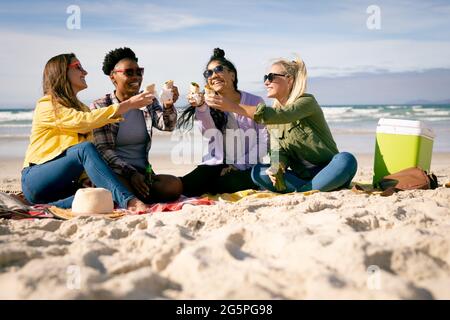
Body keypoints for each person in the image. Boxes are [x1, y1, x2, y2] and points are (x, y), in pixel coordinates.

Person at [21, 53, 153, 211]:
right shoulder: (47, 104)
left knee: (100, 195)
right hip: (35, 180)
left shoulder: (82, 108)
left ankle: (44, 207)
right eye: (78, 67)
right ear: (62, 72)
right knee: (84, 149)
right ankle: (130, 202)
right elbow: (83, 122)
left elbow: (88, 150)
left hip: (63, 186)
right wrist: (127, 105)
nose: (85, 72)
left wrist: (86, 179)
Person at [205, 56, 357, 193]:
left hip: (330, 168)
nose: (266, 82)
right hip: (302, 176)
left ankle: (309, 188)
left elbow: (282, 115)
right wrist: (278, 167)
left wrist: (232, 106)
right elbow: (278, 152)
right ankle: (316, 187)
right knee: (258, 172)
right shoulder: (273, 120)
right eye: (265, 77)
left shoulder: (307, 102)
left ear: (289, 80)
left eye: (271, 77)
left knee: (346, 159)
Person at [90, 47, 182, 203]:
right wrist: (131, 174)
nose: (136, 77)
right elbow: (103, 150)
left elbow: (167, 126)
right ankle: (129, 194)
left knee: (174, 186)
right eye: (129, 72)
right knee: (118, 187)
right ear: (113, 77)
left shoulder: (148, 101)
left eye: (139, 72)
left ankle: (130, 195)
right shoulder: (101, 106)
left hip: (143, 173)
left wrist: (168, 104)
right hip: (116, 172)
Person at [178, 48, 269, 196]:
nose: (213, 75)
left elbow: (265, 141)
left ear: (232, 75)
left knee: (225, 183)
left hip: (248, 166)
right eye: (208, 73)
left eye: (218, 70)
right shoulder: (207, 104)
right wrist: (201, 108)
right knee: (187, 185)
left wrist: (237, 165)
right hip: (216, 164)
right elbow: (208, 134)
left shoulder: (255, 101)